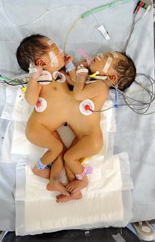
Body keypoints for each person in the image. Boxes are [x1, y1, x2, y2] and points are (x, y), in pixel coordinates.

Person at [56, 51, 136, 203]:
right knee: (70, 160)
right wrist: (70, 66)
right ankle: (74, 192)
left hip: (91, 139)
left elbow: (78, 94)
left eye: (105, 58)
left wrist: (81, 74)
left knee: (69, 157)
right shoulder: (94, 82)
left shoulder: (101, 86)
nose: (99, 55)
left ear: (112, 77)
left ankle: (83, 181)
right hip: (83, 137)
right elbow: (75, 83)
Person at [16, 34, 73, 197]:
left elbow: (76, 83)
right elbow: (31, 100)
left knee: (60, 151)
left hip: (49, 128)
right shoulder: (41, 79)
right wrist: (34, 77)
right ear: (41, 64)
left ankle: (54, 180)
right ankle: (38, 169)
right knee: (57, 148)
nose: (61, 52)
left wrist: (70, 66)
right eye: (56, 51)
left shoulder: (61, 74)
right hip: (37, 129)